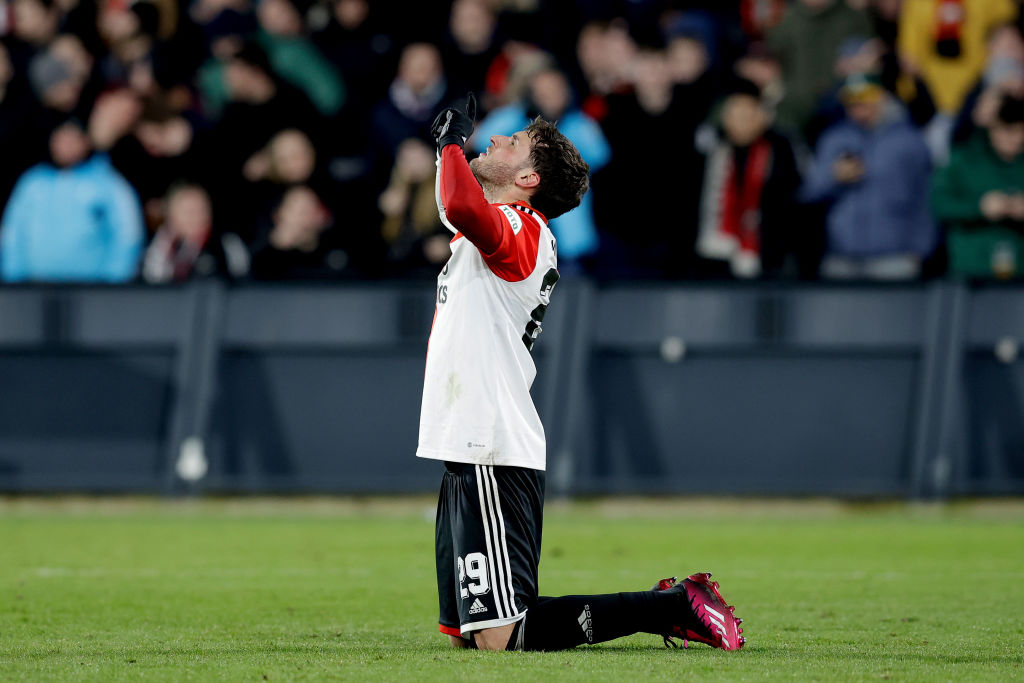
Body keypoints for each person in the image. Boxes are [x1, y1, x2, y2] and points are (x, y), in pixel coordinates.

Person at [420, 94, 746, 652]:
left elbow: (460, 204)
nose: (494, 138)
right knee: (468, 638)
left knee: (500, 636)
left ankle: (673, 605)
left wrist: (451, 143)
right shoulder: (502, 223)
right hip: (469, 442)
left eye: (512, 141)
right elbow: (456, 206)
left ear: (528, 179)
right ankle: (667, 604)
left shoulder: (523, 226)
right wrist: (444, 154)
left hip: (492, 442)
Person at [801, 73, 936, 280]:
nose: (857, 106)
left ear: (883, 97)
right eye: (852, 100)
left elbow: (926, 196)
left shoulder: (909, 140)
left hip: (895, 256)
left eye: (865, 98)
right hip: (841, 255)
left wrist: (920, 249)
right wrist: (833, 177)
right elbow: (809, 191)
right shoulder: (834, 138)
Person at [1, 117, 144, 282]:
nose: (66, 145)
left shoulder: (108, 183)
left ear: (85, 142)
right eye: (62, 139)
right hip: (35, 286)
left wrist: (114, 282)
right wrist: (13, 278)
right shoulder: (33, 182)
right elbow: (12, 232)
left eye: (73, 139)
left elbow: (128, 234)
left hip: (92, 288)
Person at [932, 96, 1024, 279]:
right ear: (993, 127)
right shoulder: (964, 159)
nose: (1016, 139)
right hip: (972, 270)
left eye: (1020, 132)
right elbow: (938, 203)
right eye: (1008, 131)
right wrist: (979, 207)